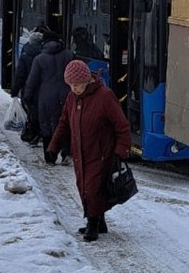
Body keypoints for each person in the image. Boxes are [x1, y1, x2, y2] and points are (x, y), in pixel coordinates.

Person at [48, 59, 131, 243]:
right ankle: (100, 222)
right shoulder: (72, 99)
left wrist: (121, 150)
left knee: (93, 189)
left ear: (86, 80)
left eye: (77, 85)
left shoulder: (104, 96)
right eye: (70, 85)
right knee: (84, 187)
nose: (74, 89)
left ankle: (92, 224)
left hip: (101, 153)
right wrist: (53, 147)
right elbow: (63, 124)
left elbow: (122, 126)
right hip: (80, 153)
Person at [21, 28, 73, 163]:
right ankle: (66, 154)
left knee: (46, 125)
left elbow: (32, 80)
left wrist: (27, 97)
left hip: (46, 96)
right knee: (65, 124)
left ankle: (50, 156)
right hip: (66, 94)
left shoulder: (39, 59)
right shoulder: (69, 55)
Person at [10, 21, 47, 144]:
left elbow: (20, 74)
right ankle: (41, 133)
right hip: (43, 88)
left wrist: (15, 90)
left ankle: (33, 134)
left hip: (29, 88)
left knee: (32, 113)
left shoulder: (26, 52)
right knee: (42, 112)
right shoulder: (45, 53)